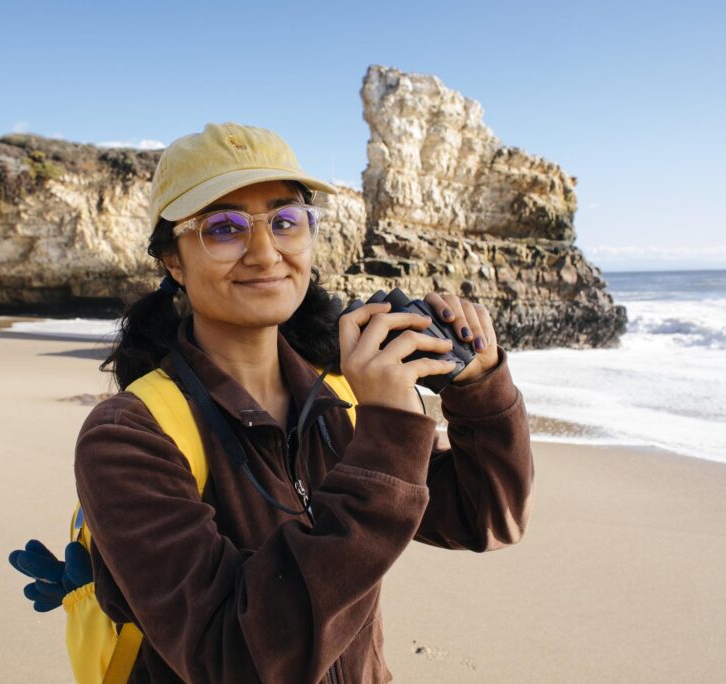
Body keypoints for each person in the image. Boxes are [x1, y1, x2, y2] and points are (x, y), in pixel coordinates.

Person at [74, 122, 534, 683]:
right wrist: (388, 431)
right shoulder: (129, 436)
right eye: (224, 228)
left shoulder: (337, 396)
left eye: (285, 221)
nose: (265, 253)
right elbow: (236, 658)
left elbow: (487, 518)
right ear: (173, 260)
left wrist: (478, 387)